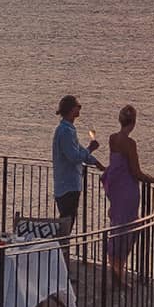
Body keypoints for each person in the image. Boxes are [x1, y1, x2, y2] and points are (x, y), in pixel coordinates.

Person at [102, 104, 154, 287]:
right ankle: (119, 272)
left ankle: (116, 270)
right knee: (129, 229)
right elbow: (136, 172)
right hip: (128, 191)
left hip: (116, 191)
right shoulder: (129, 144)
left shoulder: (112, 139)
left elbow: (116, 165)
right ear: (133, 122)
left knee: (117, 228)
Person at [52, 95, 102, 245]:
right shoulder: (65, 131)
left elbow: (78, 150)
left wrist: (95, 162)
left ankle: (61, 254)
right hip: (67, 185)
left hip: (67, 184)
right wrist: (90, 149)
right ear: (71, 109)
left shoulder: (68, 129)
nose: (80, 108)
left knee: (67, 221)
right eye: (77, 106)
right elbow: (74, 156)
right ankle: (60, 254)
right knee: (66, 223)